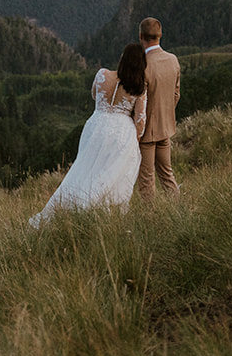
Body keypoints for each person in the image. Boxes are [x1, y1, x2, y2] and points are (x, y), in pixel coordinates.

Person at [29, 42, 149, 227]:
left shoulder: (102, 74)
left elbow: (95, 95)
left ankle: (70, 207)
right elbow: (140, 121)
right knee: (110, 176)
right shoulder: (139, 88)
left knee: (84, 169)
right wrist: (135, 139)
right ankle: (99, 215)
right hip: (120, 133)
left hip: (96, 126)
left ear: (122, 58)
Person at [136, 16, 181, 200]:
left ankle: (150, 221)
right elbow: (176, 95)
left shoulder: (142, 64)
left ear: (141, 37)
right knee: (167, 174)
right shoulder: (173, 60)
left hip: (146, 132)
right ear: (160, 35)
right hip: (166, 127)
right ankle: (179, 211)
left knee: (147, 180)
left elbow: (139, 102)